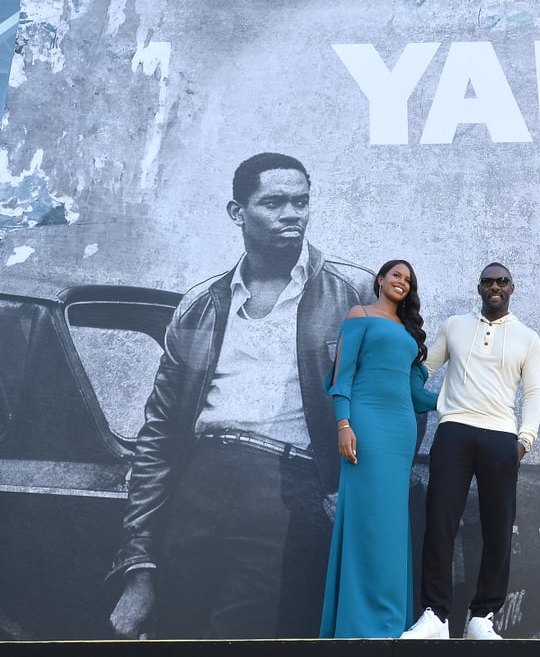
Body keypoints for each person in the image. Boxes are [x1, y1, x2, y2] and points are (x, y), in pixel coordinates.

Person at [107, 152, 373, 639]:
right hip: (200, 483)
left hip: (293, 487)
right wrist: (139, 562)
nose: (291, 214)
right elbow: (159, 436)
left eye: (300, 202)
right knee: (175, 630)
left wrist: (346, 494)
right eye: (274, 202)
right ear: (237, 213)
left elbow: (398, 410)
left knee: (252, 632)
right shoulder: (200, 305)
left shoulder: (356, 293)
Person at [401, 262, 540, 640]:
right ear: (479, 288)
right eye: (487, 281)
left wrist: (524, 440)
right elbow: (423, 370)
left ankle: (482, 618)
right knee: (440, 523)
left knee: (498, 530)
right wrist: (431, 397)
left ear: (512, 288)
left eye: (502, 281)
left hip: (501, 437)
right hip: (454, 432)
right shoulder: (455, 326)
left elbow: (533, 394)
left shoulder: (528, 338)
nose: (495, 286)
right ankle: (435, 616)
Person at [319, 260, 438, 638]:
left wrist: (459, 400)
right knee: (366, 522)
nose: (402, 281)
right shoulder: (360, 314)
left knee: (391, 525)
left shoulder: (408, 332)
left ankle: (388, 623)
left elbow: (416, 393)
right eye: (396, 275)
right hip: (365, 427)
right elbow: (343, 377)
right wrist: (344, 424)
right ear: (381, 280)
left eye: (408, 278)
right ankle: (358, 623)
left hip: (401, 433)